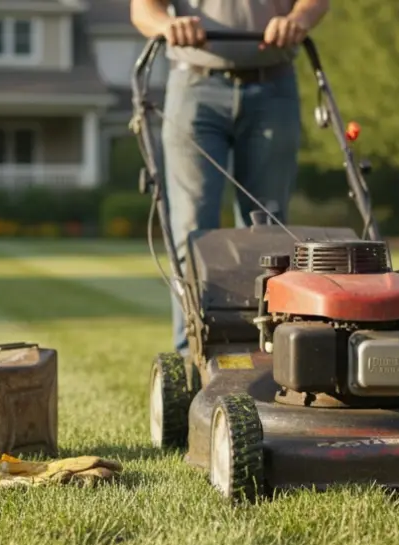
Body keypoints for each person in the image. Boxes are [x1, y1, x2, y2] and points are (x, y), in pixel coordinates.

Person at [131, 0, 331, 357]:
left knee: (269, 229)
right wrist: (166, 26)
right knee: (192, 227)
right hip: (195, 85)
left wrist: (296, 20)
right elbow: (143, 9)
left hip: (273, 87)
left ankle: (269, 350)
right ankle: (191, 353)